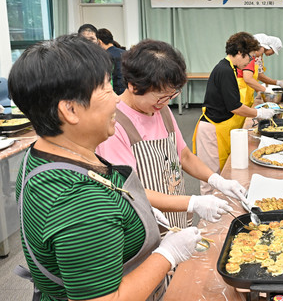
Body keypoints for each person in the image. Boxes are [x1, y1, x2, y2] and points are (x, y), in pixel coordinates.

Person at [9, 35, 202, 300]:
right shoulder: (78, 200)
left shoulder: (44, 155)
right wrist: (167, 254)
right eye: (105, 87)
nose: (116, 99)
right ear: (71, 110)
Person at [97, 39, 243, 231]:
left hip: (177, 215)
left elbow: (184, 156)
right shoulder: (115, 125)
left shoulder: (161, 109)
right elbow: (128, 190)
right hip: (147, 224)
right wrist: (192, 203)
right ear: (133, 86)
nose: (165, 102)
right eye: (160, 96)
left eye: (171, 95)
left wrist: (217, 180)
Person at [194, 32, 276, 173]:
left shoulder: (230, 68)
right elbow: (234, 107)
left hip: (219, 126)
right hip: (212, 129)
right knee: (212, 178)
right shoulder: (225, 70)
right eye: (249, 56)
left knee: (222, 172)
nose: (250, 60)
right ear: (239, 52)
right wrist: (260, 113)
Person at [236, 33, 283, 111]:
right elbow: (248, 79)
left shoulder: (253, 57)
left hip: (246, 93)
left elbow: (256, 76)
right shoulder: (248, 58)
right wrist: (265, 90)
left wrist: (259, 91)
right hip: (241, 93)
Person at [97, 28, 126, 95]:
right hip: (128, 91)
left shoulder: (104, 56)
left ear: (99, 41)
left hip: (115, 93)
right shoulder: (125, 53)